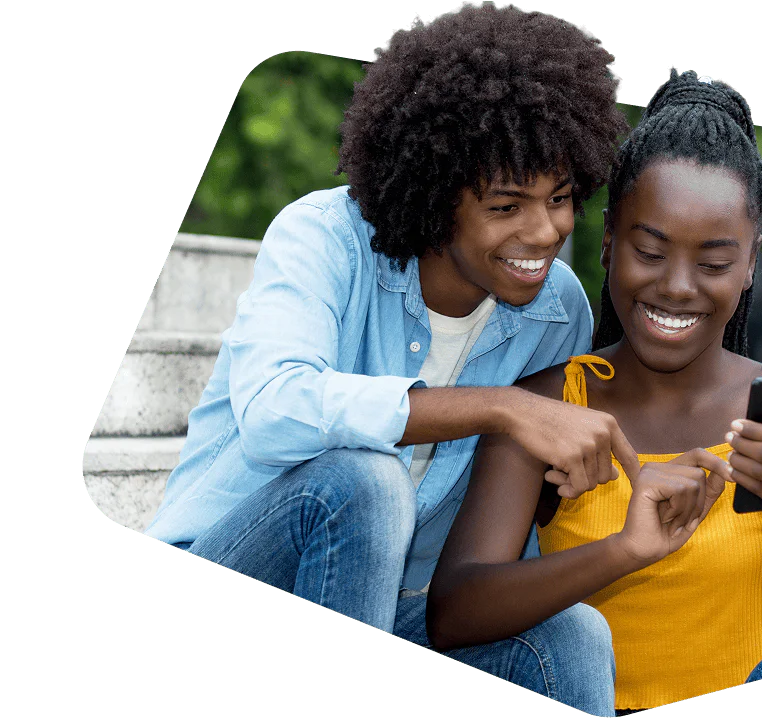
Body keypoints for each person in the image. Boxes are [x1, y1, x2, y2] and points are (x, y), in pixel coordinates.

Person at [145, 4, 633, 716]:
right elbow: (275, 410)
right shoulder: (323, 238)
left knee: (573, 636)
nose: (545, 231)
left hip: (398, 609)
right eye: (506, 206)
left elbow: (504, 535)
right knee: (365, 482)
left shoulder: (557, 311)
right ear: (436, 196)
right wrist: (503, 408)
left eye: (559, 198)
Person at [427, 70, 762, 713]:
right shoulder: (547, 410)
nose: (678, 286)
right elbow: (453, 615)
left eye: (713, 264)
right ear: (609, 241)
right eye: (651, 252)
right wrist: (623, 551)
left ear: (750, 264)